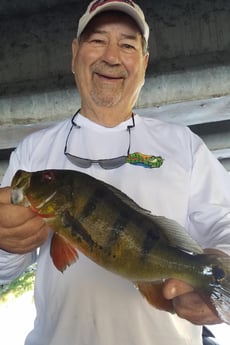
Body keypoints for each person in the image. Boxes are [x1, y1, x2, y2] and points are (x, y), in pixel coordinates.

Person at [0, 1, 230, 344]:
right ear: (75, 53)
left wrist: (222, 267)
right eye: (97, 41)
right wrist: (5, 242)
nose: (111, 56)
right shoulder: (33, 152)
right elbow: (3, 271)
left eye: (127, 45)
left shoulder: (183, 145)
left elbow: (225, 223)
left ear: (144, 62)